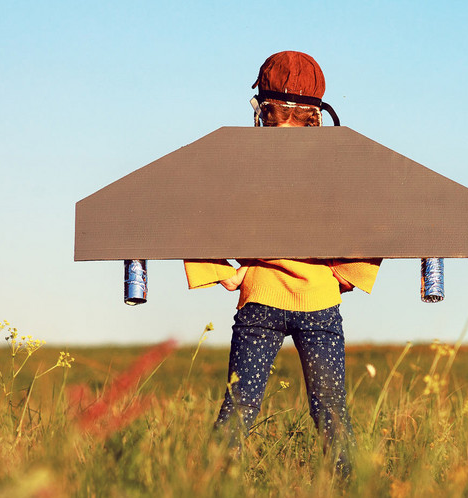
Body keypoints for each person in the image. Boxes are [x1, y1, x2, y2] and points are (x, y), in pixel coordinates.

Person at [183, 51, 380, 474]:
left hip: (266, 301)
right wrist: (345, 274)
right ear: (317, 113)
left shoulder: (250, 160)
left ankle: (209, 483)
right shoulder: (256, 161)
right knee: (330, 413)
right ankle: (349, 486)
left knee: (242, 409)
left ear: (261, 110)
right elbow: (371, 215)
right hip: (309, 305)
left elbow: (197, 208)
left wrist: (225, 273)